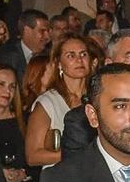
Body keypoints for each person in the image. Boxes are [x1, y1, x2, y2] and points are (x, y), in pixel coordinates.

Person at [23, 30, 97, 168]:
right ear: (59, 63)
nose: (79, 60)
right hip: (60, 178)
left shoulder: (98, 97)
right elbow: (32, 156)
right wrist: (78, 153)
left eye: (83, 54)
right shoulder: (48, 102)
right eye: (71, 55)